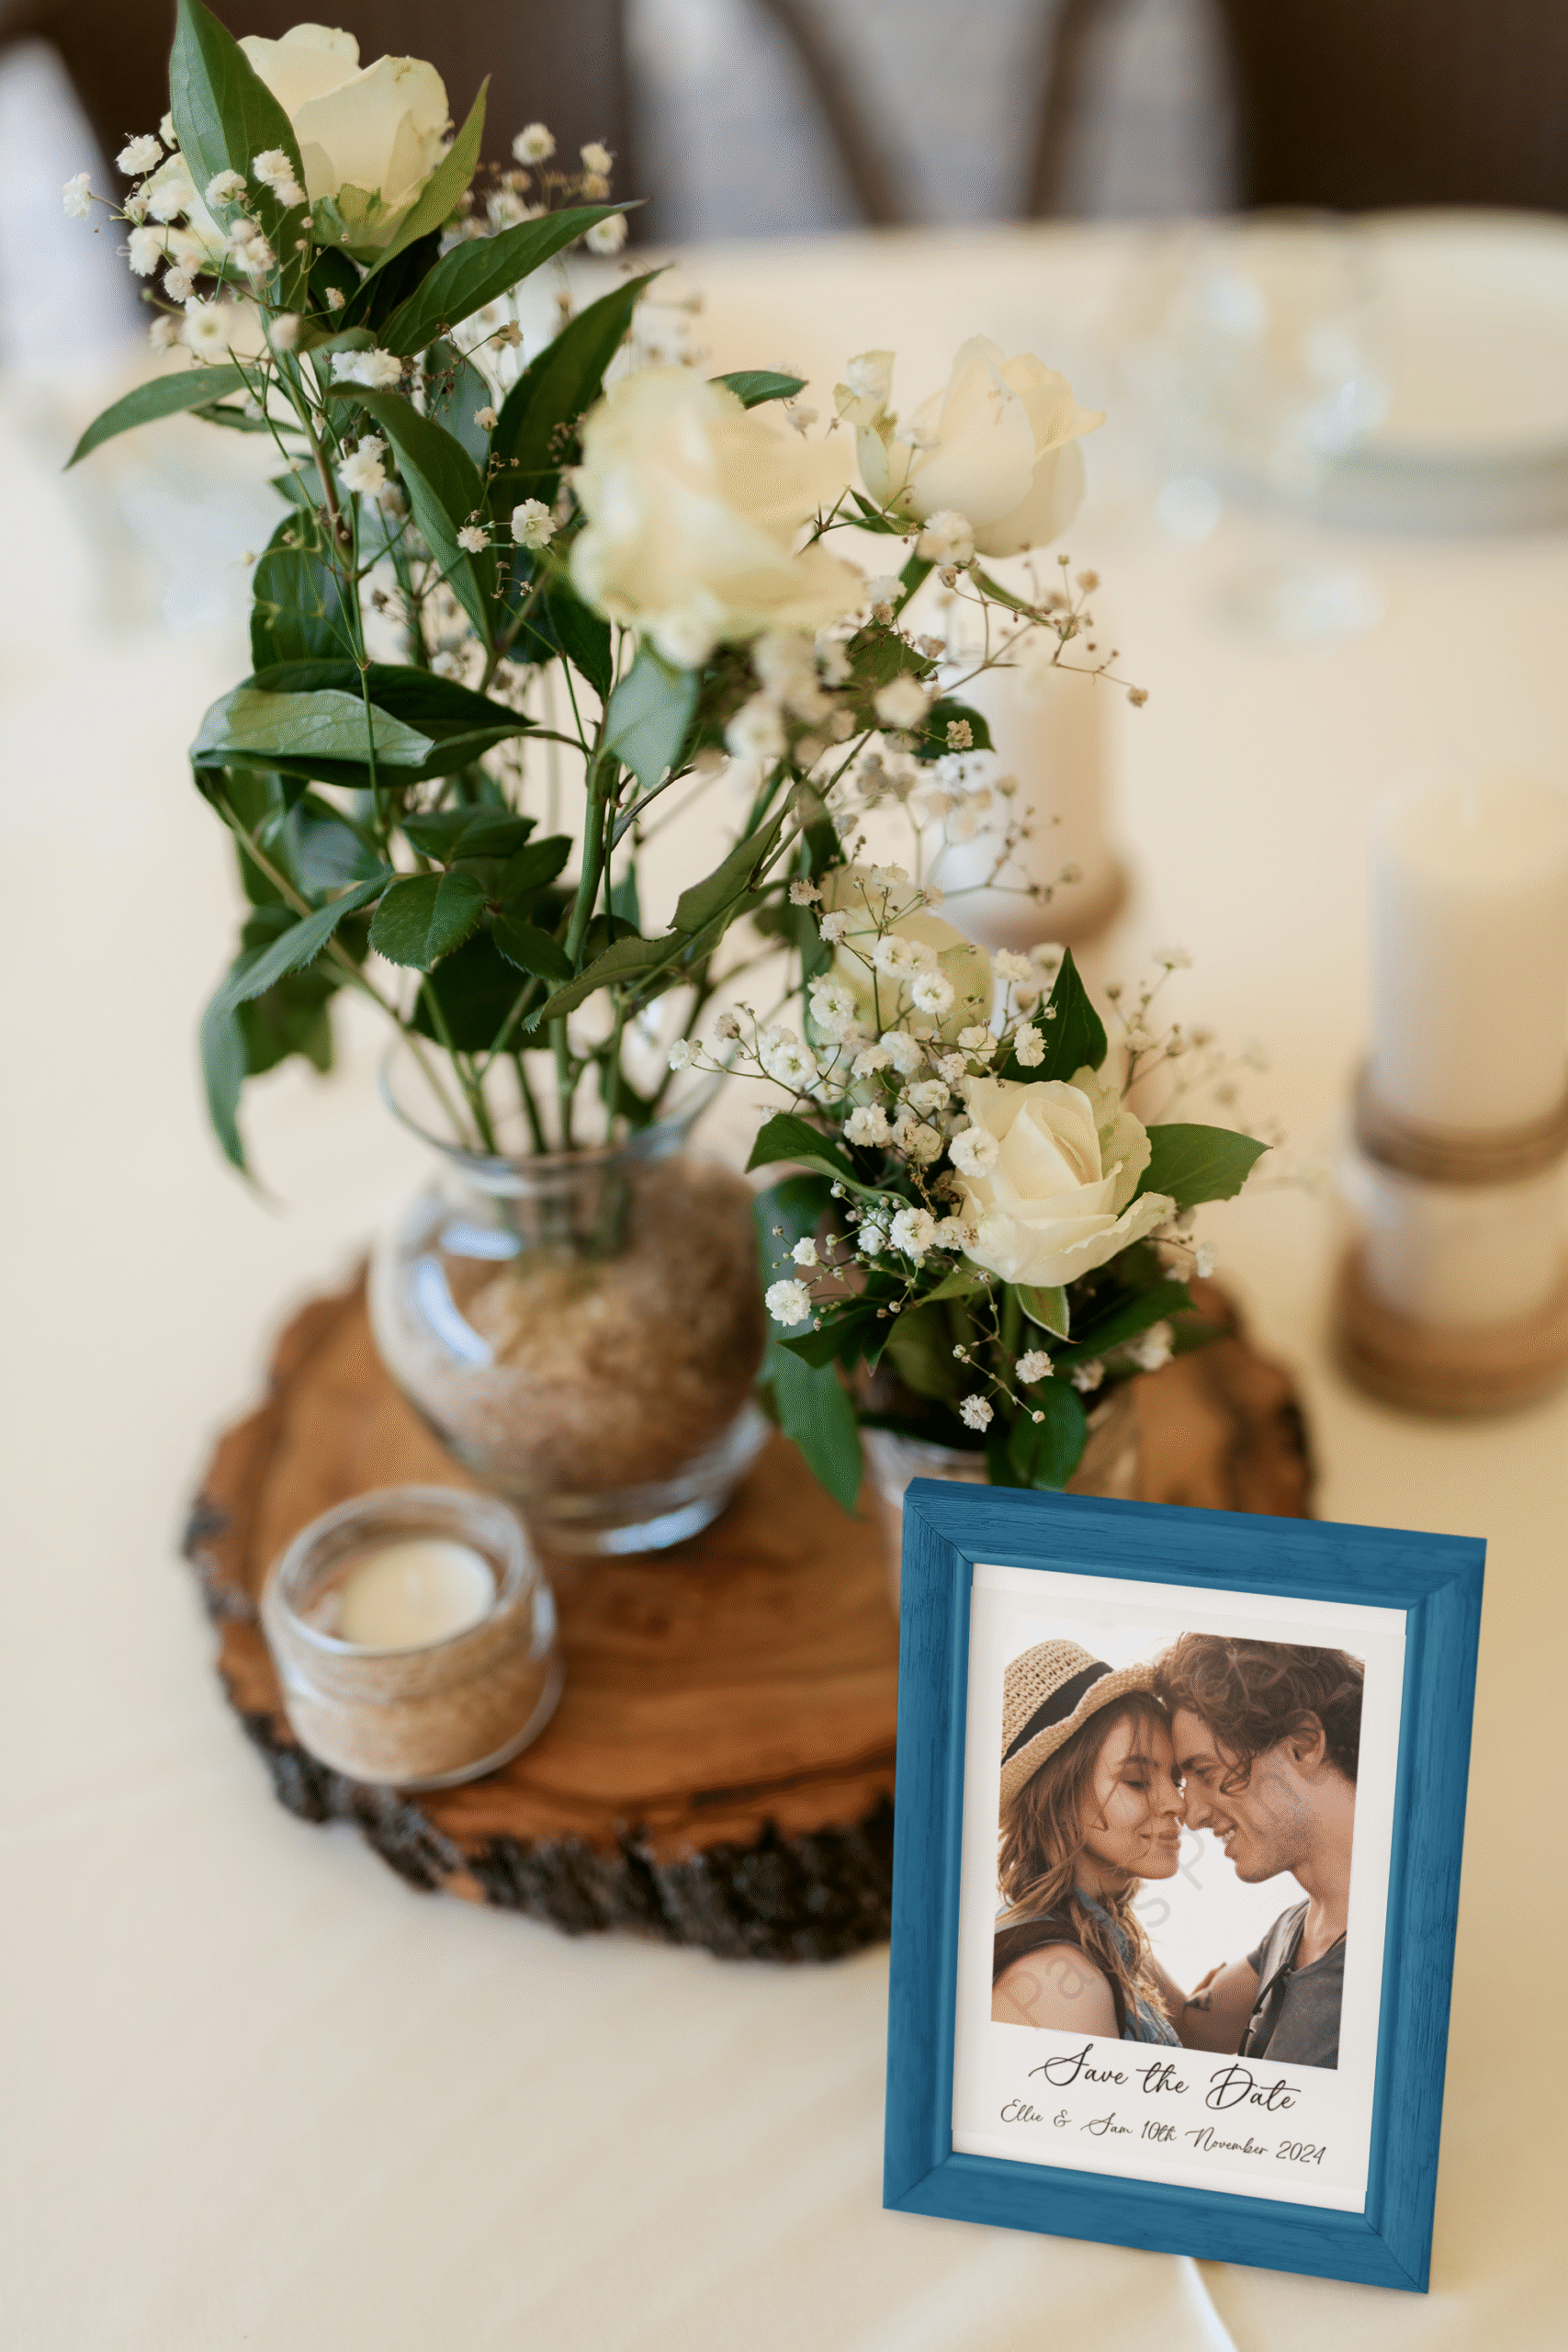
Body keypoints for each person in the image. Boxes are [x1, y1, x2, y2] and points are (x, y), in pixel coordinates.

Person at [1152, 1635, 1363, 2071]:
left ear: (1302, 1744)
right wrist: (1093, 1894)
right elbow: (1194, 2030)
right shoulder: (1294, 1928)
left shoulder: (1407, 1949)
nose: (1190, 1817)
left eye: (1205, 1772)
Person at [992, 1639, 1188, 2041]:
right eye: (1136, 1781)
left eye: (1176, 1779)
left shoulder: (1100, 1931)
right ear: (1058, 1800)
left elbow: (1199, 2027)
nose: (1177, 1803)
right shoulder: (1058, 1984)